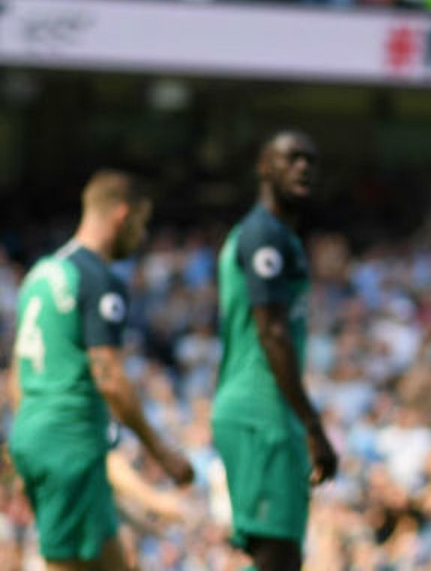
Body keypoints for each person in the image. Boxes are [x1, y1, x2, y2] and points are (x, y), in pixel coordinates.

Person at [8, 170, 195, 571]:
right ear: (122, 215)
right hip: (69, 440)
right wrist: (161, 452)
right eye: (142, 223)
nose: (142, 235)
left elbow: (17, 372)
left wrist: (28, 447)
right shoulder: (98, 279)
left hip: (34, 434)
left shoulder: (41, 273)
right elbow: (109, 376)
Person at [211, 131, 338, 571]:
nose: (303, 167)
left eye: (311, 160)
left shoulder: (277, 236)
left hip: (265, 408)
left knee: (281, 556)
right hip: (259, 410)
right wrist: (314, 425)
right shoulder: (263, 235)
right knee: (276, 556)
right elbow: (273, 334)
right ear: (264, 167)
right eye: (291, 158)